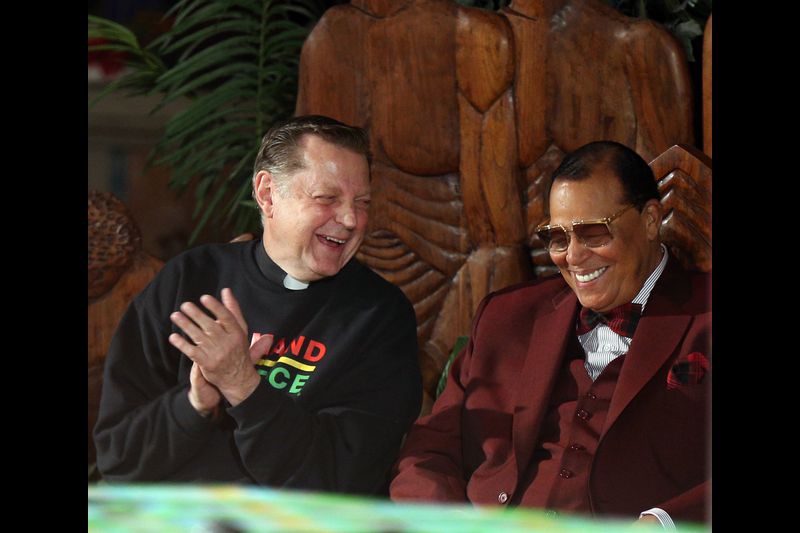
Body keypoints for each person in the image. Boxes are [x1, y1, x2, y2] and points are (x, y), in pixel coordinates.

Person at [94, 115, 422, 495]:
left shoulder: (379, 316)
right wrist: (196, 402)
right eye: (327, 198)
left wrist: (242, 385)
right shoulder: (190, 281)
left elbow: (340, 479)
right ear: (267, 194)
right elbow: (118, 460)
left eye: (361, 202)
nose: (350, 220)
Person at [390, 141, 710, 528]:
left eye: (593, 233)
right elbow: (430, 449)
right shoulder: (507, 317)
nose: (573, 257)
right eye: (557, 238)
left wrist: (663, 523)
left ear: (649, 219)